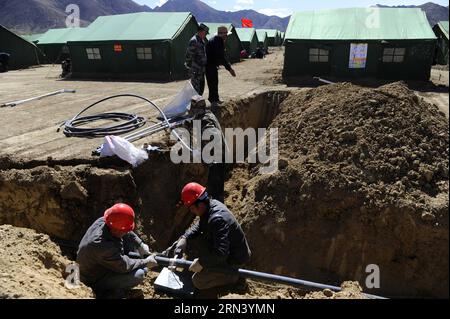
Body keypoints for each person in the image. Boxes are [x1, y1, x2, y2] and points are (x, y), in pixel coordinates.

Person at [175, 183, 251, 290]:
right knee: (194, 241)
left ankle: (235, 278)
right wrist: (185, 237)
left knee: (198, 281)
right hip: (229, 251)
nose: (191, 212)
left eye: (191, 208)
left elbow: (221, 254)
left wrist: (201, 263)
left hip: (235, 259)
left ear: (199, 205)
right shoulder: (210, 205)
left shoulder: (217, 218)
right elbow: (200, 225)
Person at [77, 203, 158, 297]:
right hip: (92, 278)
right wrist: (145, 262)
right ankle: (106, 293)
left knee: (130, 242)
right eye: (125, 230)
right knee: (139, 274)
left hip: (101, 262)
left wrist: (140, 244)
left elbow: (126, 230)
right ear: (117, 230)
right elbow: (123, 266)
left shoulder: (105, 220)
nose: (127, 231)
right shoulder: (101, 245)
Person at [205, 26, 236, 110]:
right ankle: (212, 102)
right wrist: (229, 69)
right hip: (209, 65)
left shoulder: (217, 40)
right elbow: (221, 57)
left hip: (212, 65)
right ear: (222, 35)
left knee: (214, 82)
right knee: (212, 83)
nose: (227, 37)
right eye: (226, 35)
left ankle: (215, 99)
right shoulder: (217, 42)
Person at [185, 23, 209, 95]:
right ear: (201, 31)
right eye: (205, 33)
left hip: (201, 70)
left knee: (201, 87)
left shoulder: (201, 40)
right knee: (195, 88)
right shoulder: (194, 41)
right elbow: (188, 55)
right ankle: (195, 104)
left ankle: (198, 103)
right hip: (196, 70)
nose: (206, 35)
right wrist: (191, 67)